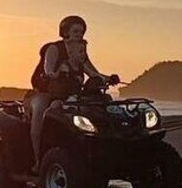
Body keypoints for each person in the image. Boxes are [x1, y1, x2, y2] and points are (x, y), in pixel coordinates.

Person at [28, 15, 119, 172]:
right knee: (41, 116)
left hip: (70, 94)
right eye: (75, 30)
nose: (79, 33)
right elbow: (48, 69)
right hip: (46, 92)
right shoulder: (54, 48)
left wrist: (109, 78)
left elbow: (93, 73)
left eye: (82, 31)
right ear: (65, 31)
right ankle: (37, 160)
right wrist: (56, 74)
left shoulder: (80, 51)